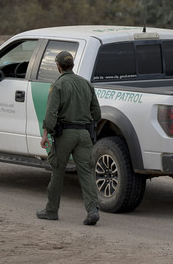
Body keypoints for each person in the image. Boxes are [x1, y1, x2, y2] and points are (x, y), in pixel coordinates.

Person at [37, 50, 102, 225]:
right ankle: (92, 210)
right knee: (87, 173)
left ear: (58, 66)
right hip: (84, 135)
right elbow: (97, 114)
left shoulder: (58, 85)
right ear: (71, 65)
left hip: (65, 135)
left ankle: (51, 210)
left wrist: (45, 135)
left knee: (58, 171)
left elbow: (51, 114)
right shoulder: (86, 84)